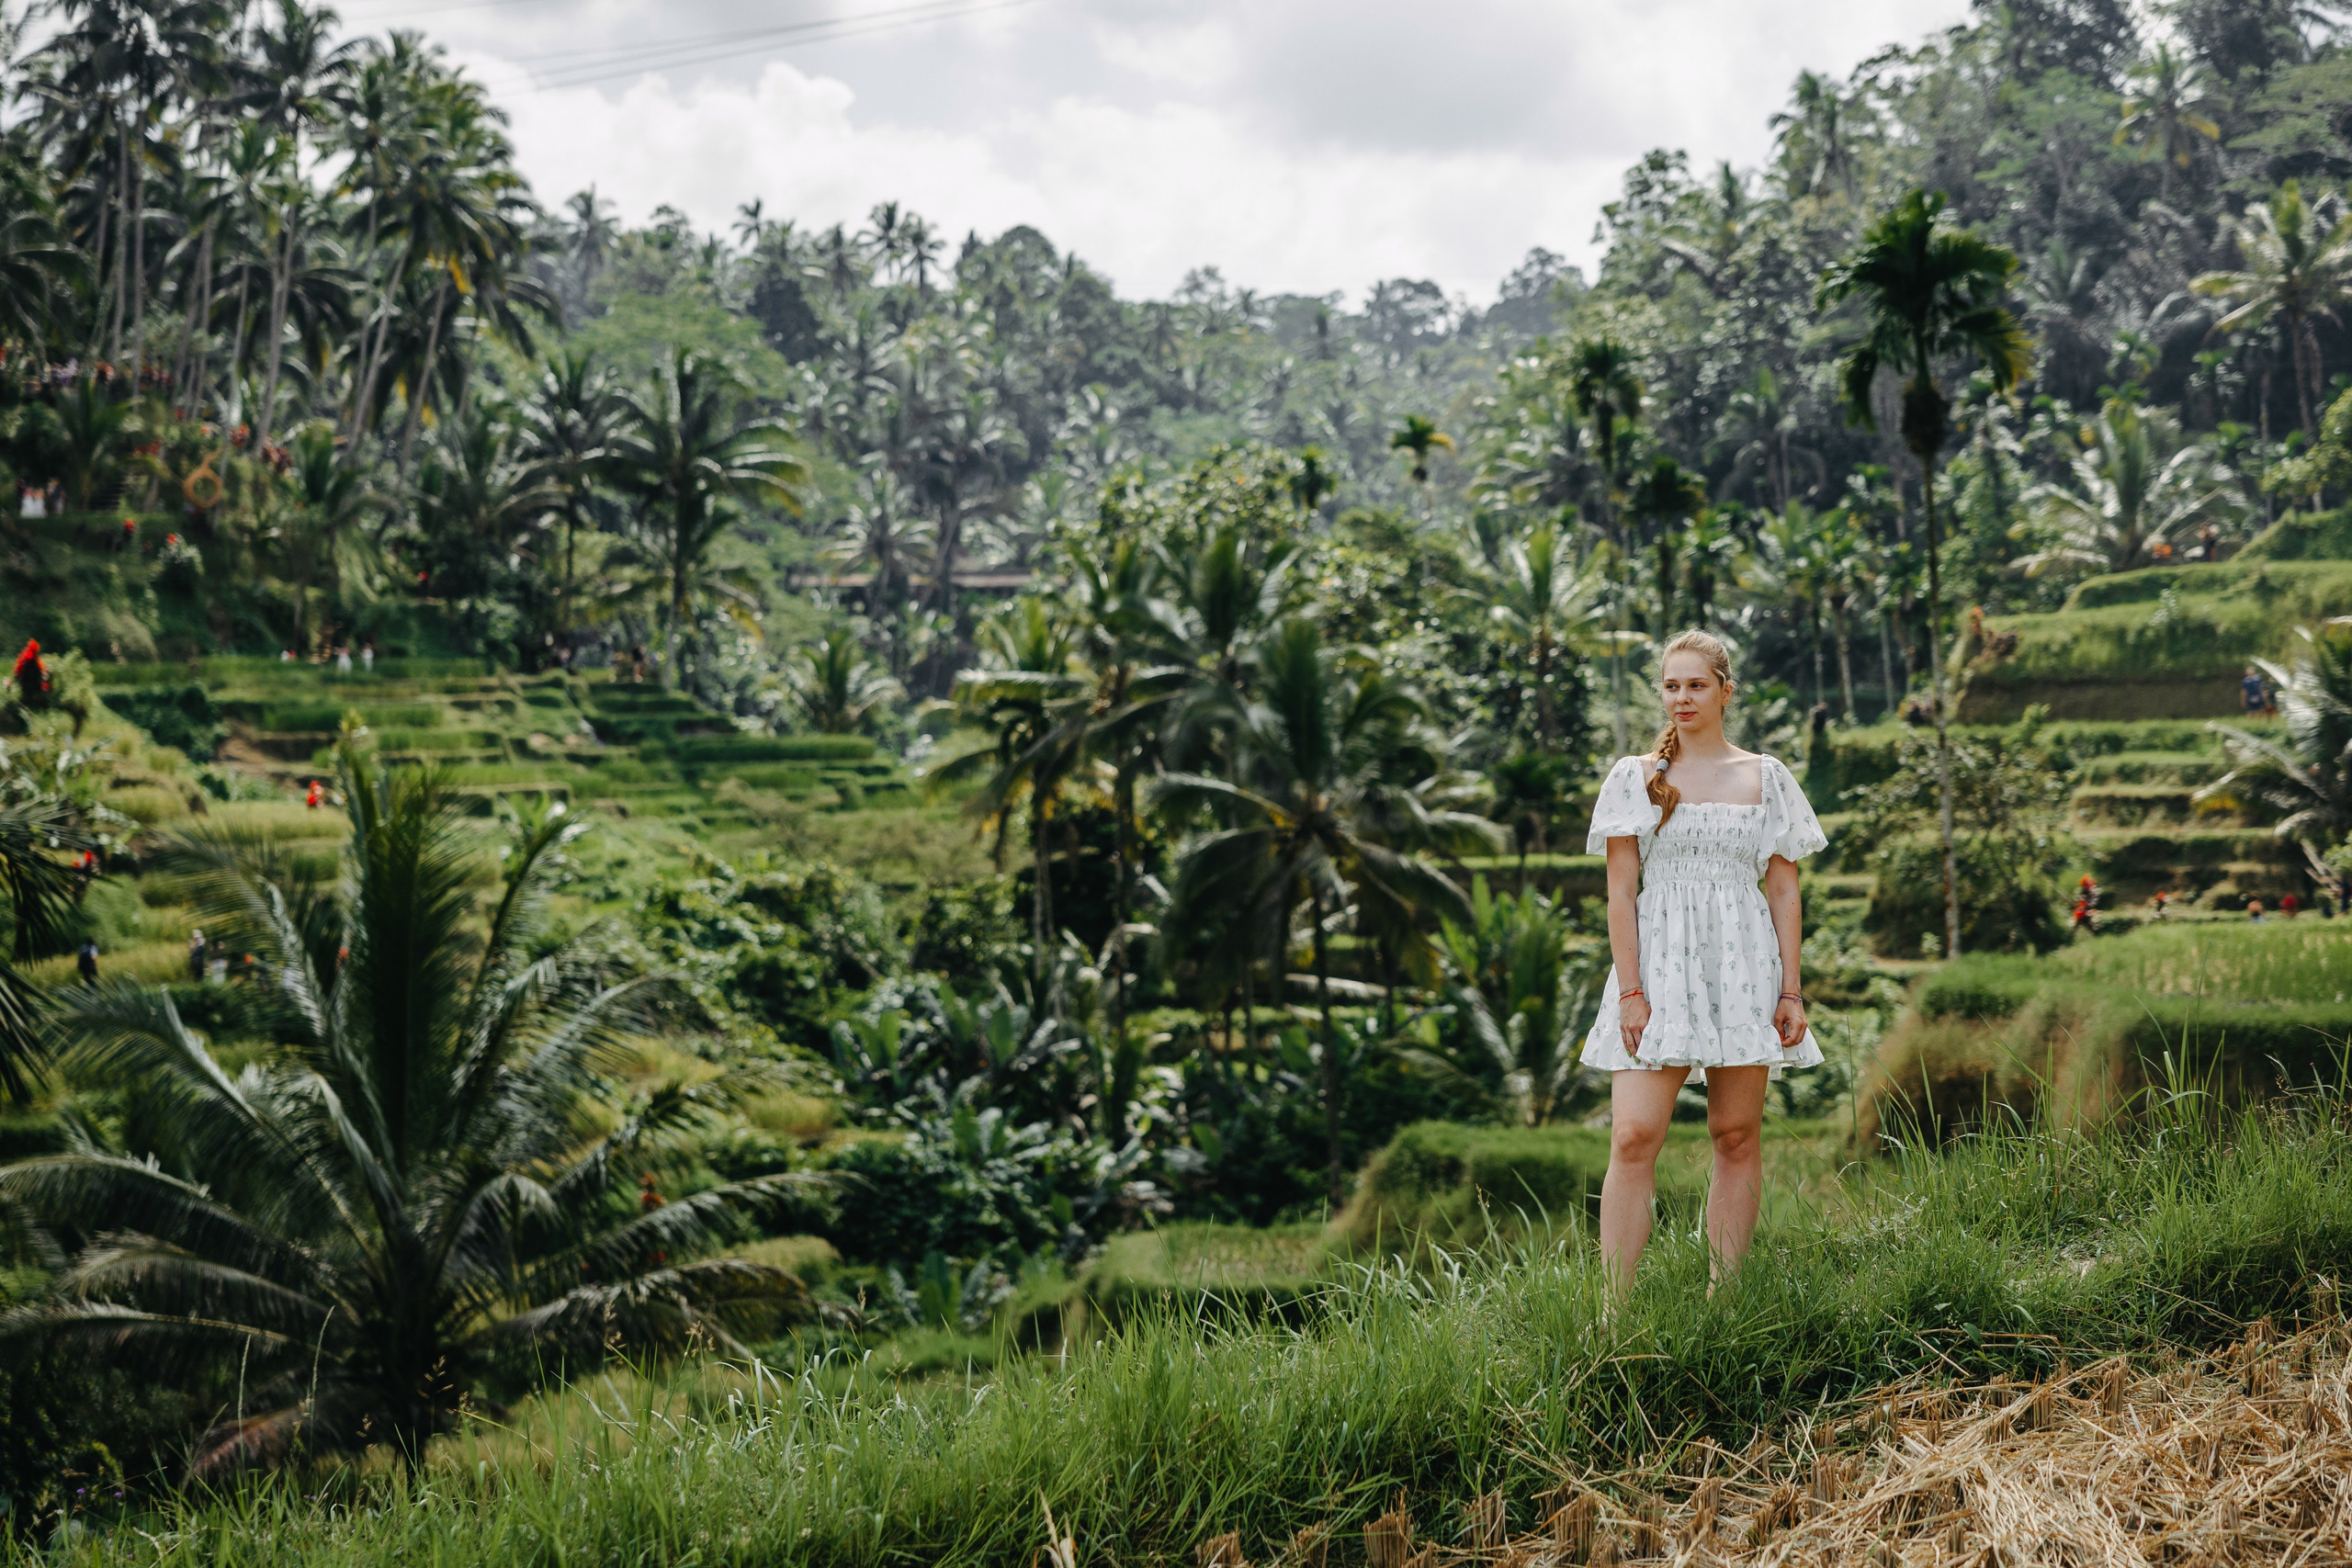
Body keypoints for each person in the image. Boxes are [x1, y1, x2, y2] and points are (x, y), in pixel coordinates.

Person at [1583, 629, 1826, 1293]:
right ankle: (1614, 1312)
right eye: (1670, 685)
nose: (1682, 697)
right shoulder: (1637, 776)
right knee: (1633, 1135)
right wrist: (1631, 990)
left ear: (1725, 689)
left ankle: (1725, 1301)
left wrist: (1791, 990)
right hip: (1658, 966)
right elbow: (1620, 891)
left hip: (1744, 964)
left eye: (1695, 684)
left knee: (1736, 1134)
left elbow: (1783, 888)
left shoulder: (1765, 775)